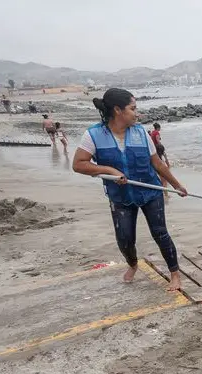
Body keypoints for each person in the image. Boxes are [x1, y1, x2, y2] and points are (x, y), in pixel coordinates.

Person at [72, 88, 189, 292]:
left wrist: (176, 184)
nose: (137, 113)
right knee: (125, 238)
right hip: (120, 196)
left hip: (150, 192)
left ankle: (175, 274)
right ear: (118, 110)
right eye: (133, 108)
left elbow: (157, 163)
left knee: (160, 232)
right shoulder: (93, 135)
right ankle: (133, 264)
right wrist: (108, 170)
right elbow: (79, 164)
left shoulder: (141, 133)